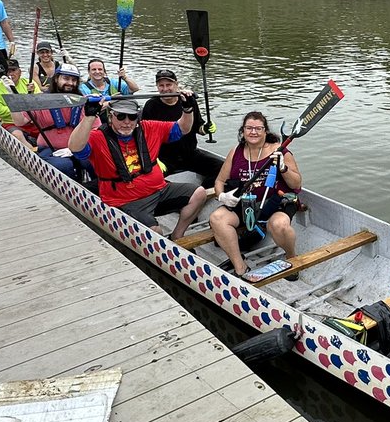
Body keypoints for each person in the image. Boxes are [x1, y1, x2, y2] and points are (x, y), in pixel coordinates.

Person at [68, 94, 208, 238]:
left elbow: (183, 128)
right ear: (111, 116)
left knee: (199, 193)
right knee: (155, 233)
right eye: (121, 116)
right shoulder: (97, 137)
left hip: (159, 190)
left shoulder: (149, 128)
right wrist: (89, 116)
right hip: (126, 201)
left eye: (132, 117)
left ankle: (177, 235)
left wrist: (187, 109)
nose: (127, 122)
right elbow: (75, 147)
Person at [207, 112, 303, 278]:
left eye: (258, 128)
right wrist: (222, 196)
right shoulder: (235, 152)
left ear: (265, 131)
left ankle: (291, 258)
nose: (253, 132)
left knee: (279, 225)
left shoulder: (279, 151)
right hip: (246, 204)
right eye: (249, 128)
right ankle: (240, 267)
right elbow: (219, 181)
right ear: (243, 131)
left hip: (276, 203)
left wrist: (283, 168)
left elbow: (296, 184)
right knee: (216, 218)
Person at [12, 63, 93, 181]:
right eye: (66, 78)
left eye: (74, 80)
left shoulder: (82, 101)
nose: (70, 83)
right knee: (64, 166)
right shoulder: (40, 100)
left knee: (94, 161)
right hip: (49, 148)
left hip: (79, 147)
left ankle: (98, 188)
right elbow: (20, 122)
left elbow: (95, 128)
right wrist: (14, 99)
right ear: (56, 79)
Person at [141, 69, 217, 183]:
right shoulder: (151, 105)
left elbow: (198, 128)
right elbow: (145, 136)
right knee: (148, 179)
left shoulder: (188, 101)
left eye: (169, 85)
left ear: (176, 84)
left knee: (223, 169)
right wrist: (154, 159)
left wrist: (205, 129)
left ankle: (203, 192)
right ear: (157, 87)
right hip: (165, 159)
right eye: (161, 85)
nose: (165, 89)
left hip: (190, 154)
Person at [0, 59, 39, 145]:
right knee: (17, 135)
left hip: (32, 121)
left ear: (20, 72)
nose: (11, 74)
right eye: (8, 71)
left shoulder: (30, 83)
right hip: (11, 123)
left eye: (13, 70)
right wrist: (21, 110)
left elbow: (39, 102)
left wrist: (32, 94)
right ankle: (32, 152)